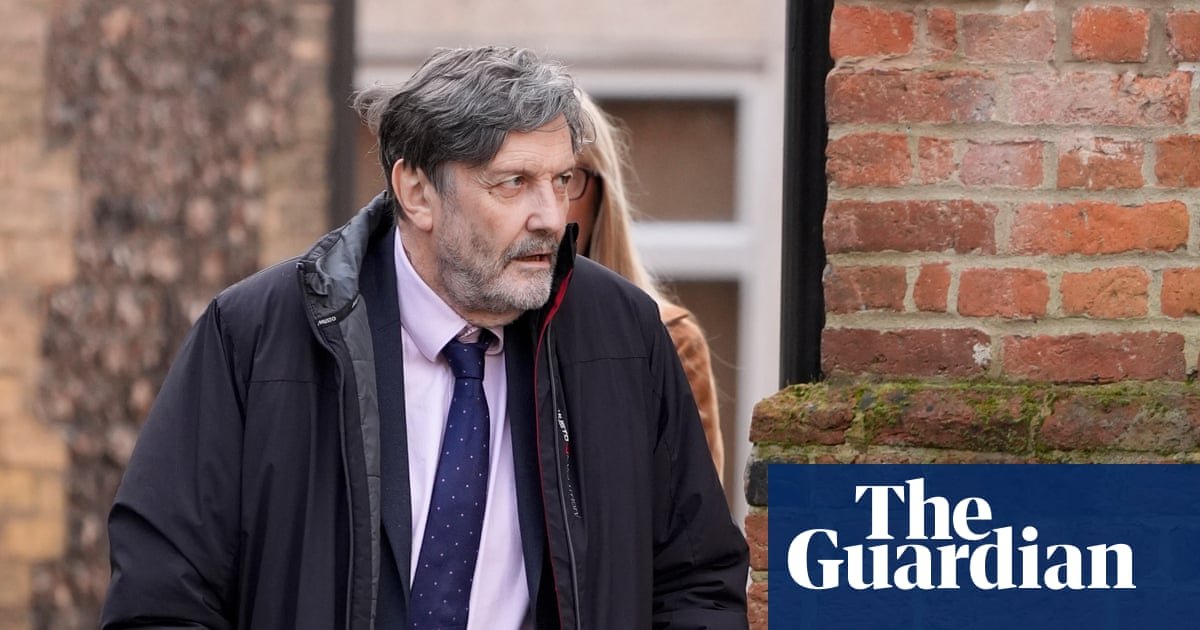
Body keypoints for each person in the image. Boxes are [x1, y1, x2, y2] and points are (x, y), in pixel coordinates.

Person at [100, 46, 748, 630]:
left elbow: (696, 585)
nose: (551, 218)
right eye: (513, 182)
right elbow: (163, 597)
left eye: (562, 181)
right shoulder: (255, 337)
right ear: (416, 192)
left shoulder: (626, 337)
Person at [566, 93, 726, 486]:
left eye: (564, 178)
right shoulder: (467, 341)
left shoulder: (668, 341)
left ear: (601, 194)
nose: (543, 208)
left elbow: (691, 514)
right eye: (515, 181)